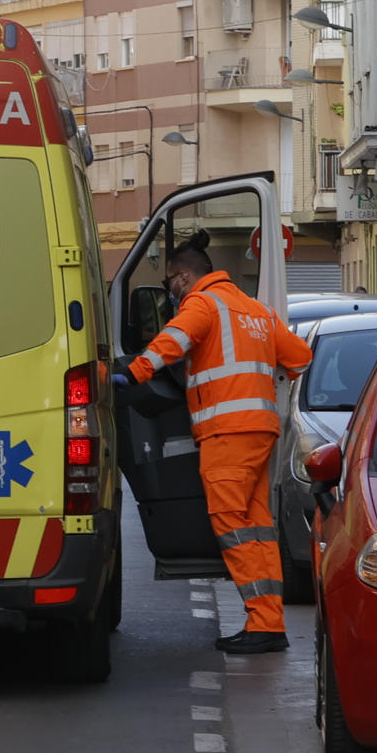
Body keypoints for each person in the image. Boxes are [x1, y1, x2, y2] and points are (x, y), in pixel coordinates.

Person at [113, 234, 312, 654]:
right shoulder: (256, 310)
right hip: (260, 431)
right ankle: (269, 619)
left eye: (170, 283)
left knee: (231, 522)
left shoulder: (201, 305)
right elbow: (299, 358)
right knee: (257, 524)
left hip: (227, 433)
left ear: (185, 277)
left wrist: (132, 374)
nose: (171, 291)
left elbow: (173, 342)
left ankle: (263, 621)